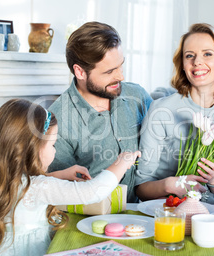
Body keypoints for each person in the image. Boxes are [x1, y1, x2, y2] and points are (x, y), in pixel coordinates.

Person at [0, 99, 140, 256]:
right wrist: (122, 163)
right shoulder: (40, 187)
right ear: (32, 149)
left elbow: (26, 189)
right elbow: (93, 191)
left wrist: (60, 174)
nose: (55, 151)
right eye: (52, 145)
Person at [135, 23, 214, 202]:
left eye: (207, 54)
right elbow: (141, 188)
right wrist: (170, 185)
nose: (197, 62)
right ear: (182, 64)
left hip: (212, 213)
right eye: (190, 56)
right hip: (167, 209)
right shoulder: (160, 110)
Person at [48, 22, 152, 203]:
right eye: (110, 71)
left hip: (142, 215)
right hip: (90, 221)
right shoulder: (59, 120)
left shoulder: (138, 96)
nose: (121, 76)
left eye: (120, 66)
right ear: (80, 72)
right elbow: (61, 193)